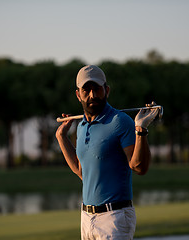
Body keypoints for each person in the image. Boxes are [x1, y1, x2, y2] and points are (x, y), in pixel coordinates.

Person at [56, 65, 158, 239]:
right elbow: (82, 171)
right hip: (87, 218)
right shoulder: (81, 127)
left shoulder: (120, 121)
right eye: (86, 90)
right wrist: (61, 137)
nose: (92, 95)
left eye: (97, 89)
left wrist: (140, 129)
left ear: (107, 90)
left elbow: (139, 167)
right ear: (78, 94)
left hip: (114, 218)